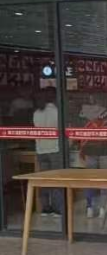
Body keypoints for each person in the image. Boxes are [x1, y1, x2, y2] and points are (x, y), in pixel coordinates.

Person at [33, 87, 62, 217]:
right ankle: (57, 208)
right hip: (55, 149)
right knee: (56, 179)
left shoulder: (36, 113)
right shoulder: (56, 111)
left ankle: (45, 208)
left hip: (41, 150)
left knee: (44, 179)